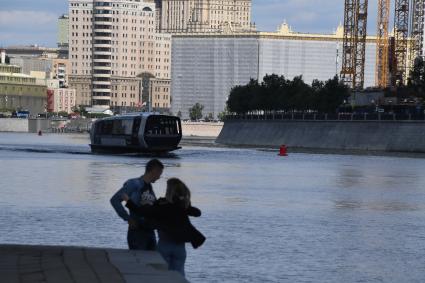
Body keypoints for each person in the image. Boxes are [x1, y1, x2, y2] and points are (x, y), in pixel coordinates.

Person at [123, 178, 205, 277]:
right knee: (179, 274)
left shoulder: (162, 205)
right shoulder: (182, 206)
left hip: (164, 245)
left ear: (168, 191)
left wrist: (128, 200)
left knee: (162, 275)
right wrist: (185, 203)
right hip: (180, 248)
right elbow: (197, 213)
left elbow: (142, 212)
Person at [110, 159, 164, 250]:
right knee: (139, 262)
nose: (159, 177)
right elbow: (115, 200)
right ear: (154, 171)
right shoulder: (134, 184)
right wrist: (128, 218)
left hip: (150, 231)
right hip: (137, 232)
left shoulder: (149, 187)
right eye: (160, 174)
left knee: (153, 261)